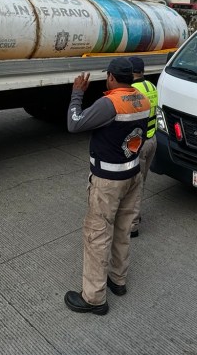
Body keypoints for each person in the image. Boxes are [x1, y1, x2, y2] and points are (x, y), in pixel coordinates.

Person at [64, 57, 151, 315]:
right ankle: (118, 280)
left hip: (108, 181)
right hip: (132, 175)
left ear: (111, 77)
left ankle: (93, 298)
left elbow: (74, 123)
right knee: (123, 229)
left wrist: (77, 94)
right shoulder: (142, 99)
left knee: (98, 234)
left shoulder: (109, 103)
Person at [128, 56, 158, 239]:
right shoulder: (151, 86)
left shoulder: (133, 91)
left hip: (139, 145)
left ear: (131, 72)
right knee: (141, 183)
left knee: (133, 186)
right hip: (152, 140)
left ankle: (132, 226)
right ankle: (135, 215)